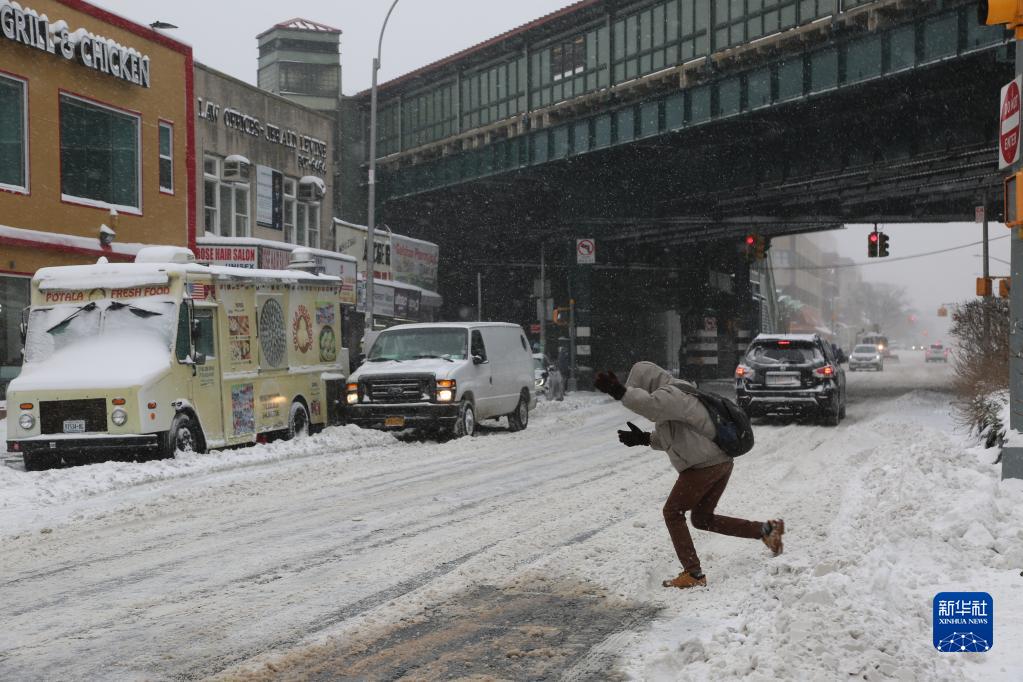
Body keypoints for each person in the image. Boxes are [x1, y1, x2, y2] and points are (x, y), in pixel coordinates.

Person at [595, 361, 784, 590]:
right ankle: (767, 530)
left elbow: (649, 406)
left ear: (646, 384)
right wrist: (644, 438)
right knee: (702, 518)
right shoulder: (675, 398)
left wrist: (620, 392)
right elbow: (672, 436)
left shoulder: (672, 394)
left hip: (704, 465)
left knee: (672, 512)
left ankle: (693, 573)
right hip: (718, 462)